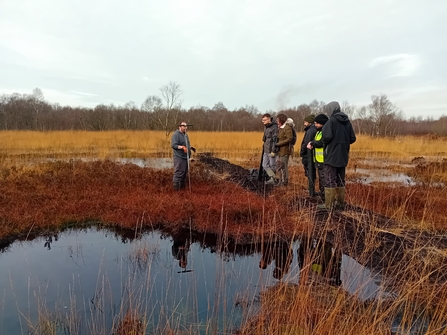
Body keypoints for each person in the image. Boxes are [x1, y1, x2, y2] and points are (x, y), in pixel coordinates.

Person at [320, 101, 356, 210]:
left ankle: (328, 205)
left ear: (331, 109)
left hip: (331, 155)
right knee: (341, 179)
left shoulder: (331, 121)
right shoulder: (347, 122)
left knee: (329, 179)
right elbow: (353, 138)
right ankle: (340, 203)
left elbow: (326, 137)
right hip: (343, 155)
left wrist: (329, 143)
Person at [307, 113, 329, 200]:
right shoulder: (318, 131)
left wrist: (312, 143)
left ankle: (325, 196)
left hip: (323, 159)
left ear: (322, 123)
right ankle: (322, 193)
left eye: (317, 123)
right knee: (321, 177)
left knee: (324, 178)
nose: (315, 124)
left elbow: (321, 143)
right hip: (318, 159)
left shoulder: (325, 131)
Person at [171, 122, 196, 191]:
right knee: (179, 173)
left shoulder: (185, 135)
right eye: (184, 126)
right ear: (179, 126)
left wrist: (190, 147)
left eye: (186, 126)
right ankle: (176, 191)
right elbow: (174, 145)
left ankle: (182, 191)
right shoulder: (176, 135)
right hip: (179, 157)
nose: (185, 127)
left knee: (184, 173)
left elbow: (185, 144)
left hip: (186, 157)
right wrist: (182, 147)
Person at [300, 114, 317, 196]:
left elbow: (306, 143)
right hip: (311, 155)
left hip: (308, 155)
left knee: (310, 172)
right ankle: (311, 189)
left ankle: (311, 190)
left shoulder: (310, 131)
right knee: (311, 172)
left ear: (310, 122)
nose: (304, 123)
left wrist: (302, 152)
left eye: (305, 122)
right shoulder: (313, 129)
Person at [275, 114, 294, 186]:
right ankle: (280, 181)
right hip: (279, 150)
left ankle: (284, 182)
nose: (277, 121)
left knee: (283, 166)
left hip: (285, 150)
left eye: (278, 119)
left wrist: (278, 144)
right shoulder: (280, 127)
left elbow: (289, 138)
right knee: (278, 165)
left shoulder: (287, 127)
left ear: (281, 120)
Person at [261, 113, 278, 185]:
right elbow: (265, 138)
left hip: (271, 150)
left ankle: (273, 179)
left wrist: (273, 151)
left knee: (272, 165)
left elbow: (275, 140)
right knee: (264, 165)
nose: (263, 121)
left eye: (264, 120)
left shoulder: (274, 127)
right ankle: (273, 178)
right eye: (262, 120)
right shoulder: (266, 127)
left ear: (269, 119)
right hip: (266, 149)